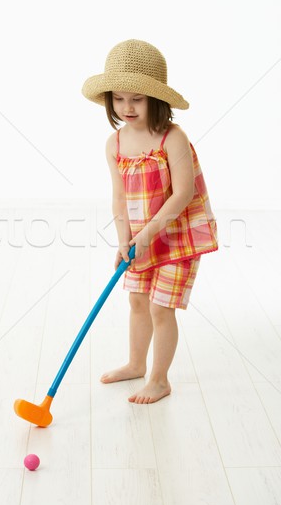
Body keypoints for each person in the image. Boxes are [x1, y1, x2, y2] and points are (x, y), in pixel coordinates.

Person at [82, 39, 218, 404]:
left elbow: (183, 194)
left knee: (161, 307)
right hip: (141, 237)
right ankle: (135, 363)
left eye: (137, 99)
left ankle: (159, 379)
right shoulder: (115, 144)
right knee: (138, 302)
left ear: (155, 99)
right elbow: (119, 198)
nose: (126, 107)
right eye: (119, 98)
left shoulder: (173, 138)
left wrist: (146, 236)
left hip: (178, 235)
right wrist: (125, 239)